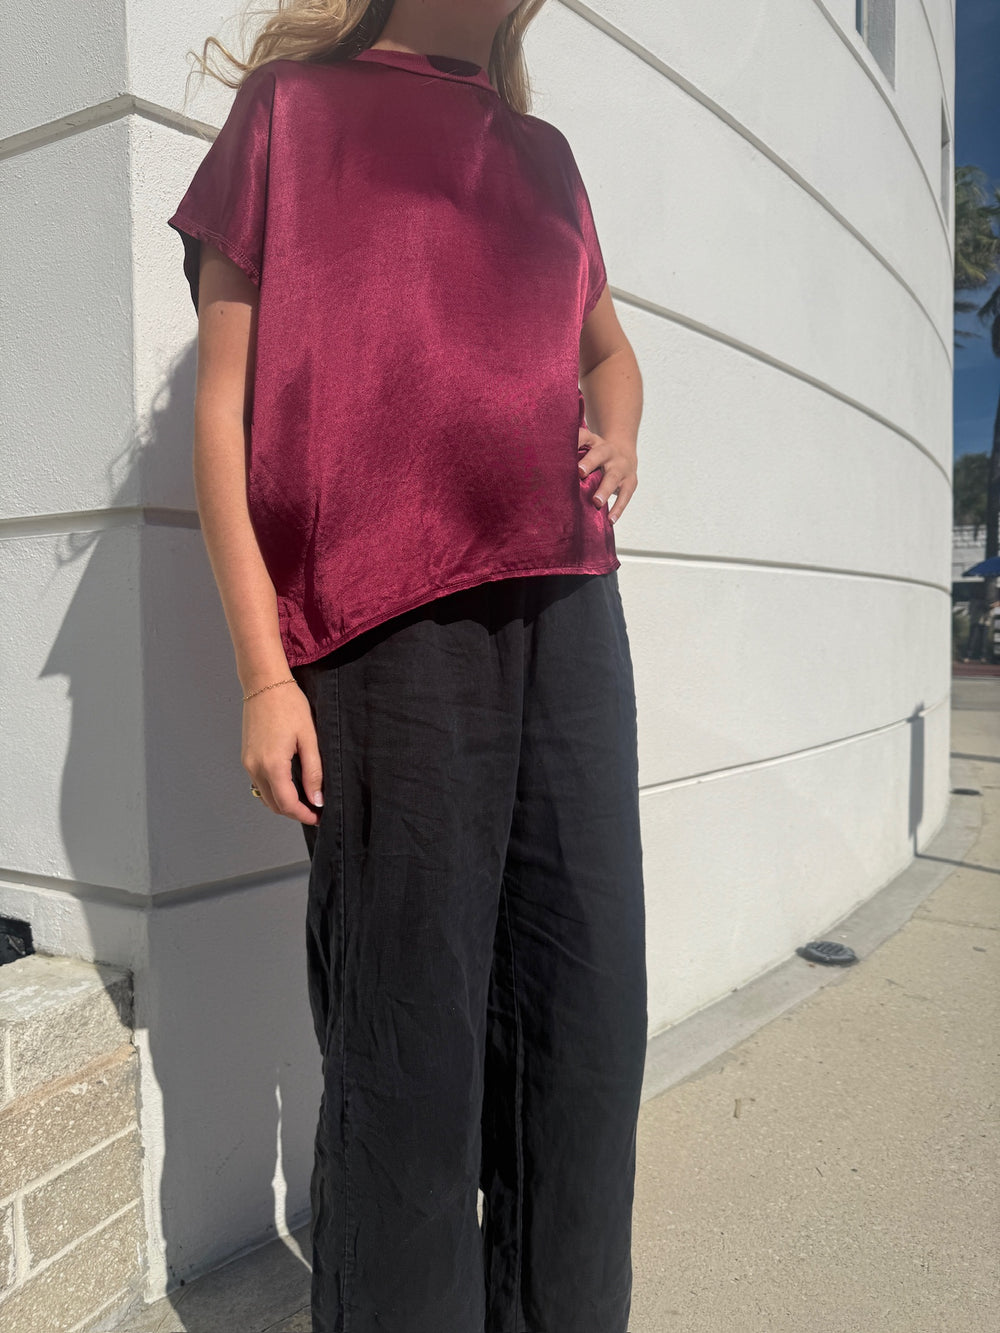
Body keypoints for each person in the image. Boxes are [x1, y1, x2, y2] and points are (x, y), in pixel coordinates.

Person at [167, 2, 647, 1330]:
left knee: (584, 1019)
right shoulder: (293, 113)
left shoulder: (544, 158)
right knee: (410, 1040)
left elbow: (612, 354)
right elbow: (224, 413)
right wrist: (264, 673)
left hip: (570, 614)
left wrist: (619, 432)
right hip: (382, 625)